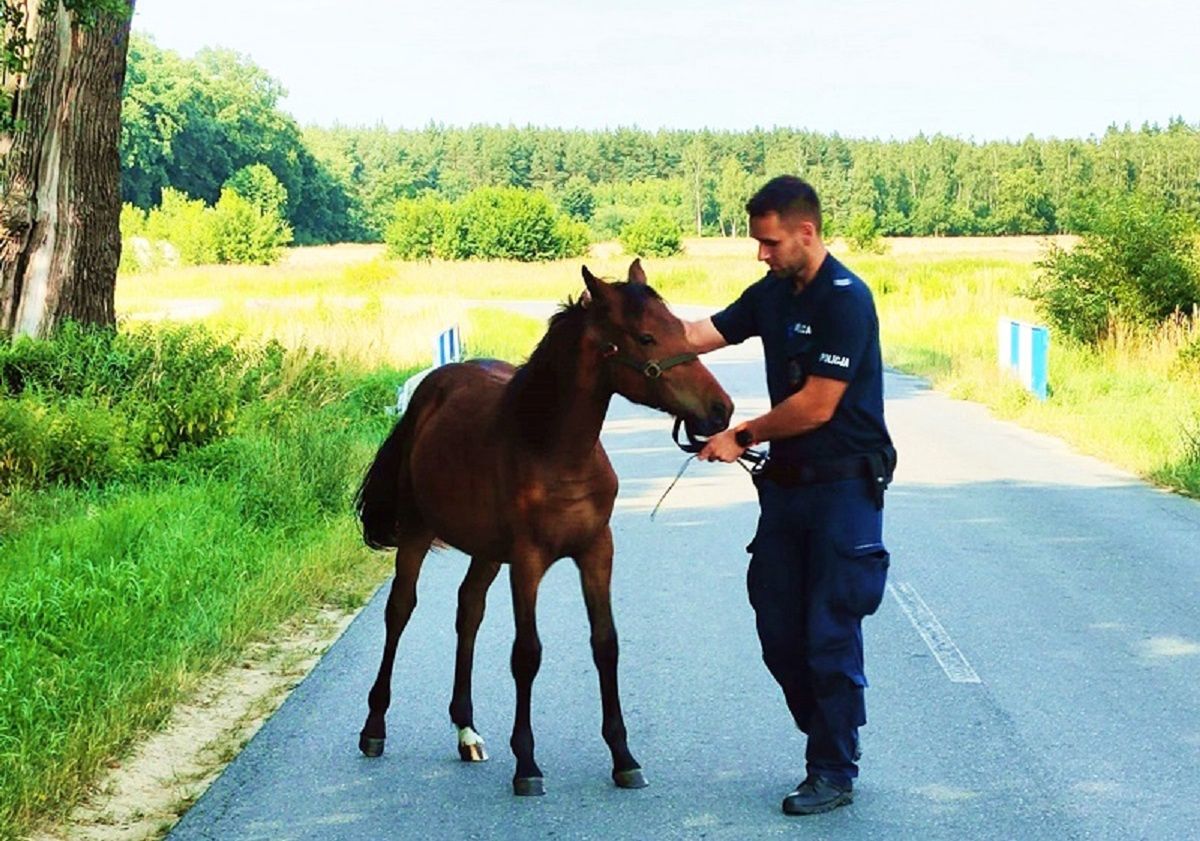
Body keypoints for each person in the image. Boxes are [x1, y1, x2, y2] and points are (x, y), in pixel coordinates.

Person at [684, 175, 896, 816]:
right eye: (758, 242)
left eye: (770, 242)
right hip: (785, 491)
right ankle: (828, 733)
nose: (761, 254)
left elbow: (816, 406)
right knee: (778, 627)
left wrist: (739, 433)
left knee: (829, 631)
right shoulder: (772, 295)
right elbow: (697, 335)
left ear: (806, 232)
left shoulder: (846, 299)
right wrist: (623, 316)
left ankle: (833, 767)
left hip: (844, 491)